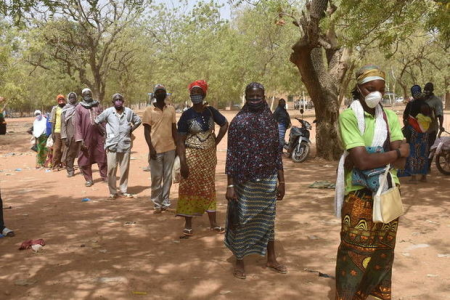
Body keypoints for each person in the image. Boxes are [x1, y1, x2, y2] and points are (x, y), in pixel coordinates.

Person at [334, 65, 410, 300]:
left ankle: (376, 292)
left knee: (383, 249)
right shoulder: (349, 116)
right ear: (358, 88)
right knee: (353, 249)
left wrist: (384, 156)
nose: (375, 94)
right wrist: (395, 154)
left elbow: (401, 160)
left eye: (380, 89)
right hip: (359, 194)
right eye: (370, 88)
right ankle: (347, 295)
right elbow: (362, 160)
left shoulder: (388, 117)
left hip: (388, 190)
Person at [224, 82, 286, 280]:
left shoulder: (270, 121)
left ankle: (271, 258)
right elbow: (231, 155)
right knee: (242, 220)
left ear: (264, 96)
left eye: (259, 96)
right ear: (246, 97)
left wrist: (281, 181)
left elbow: (277, 153)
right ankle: (240, 260)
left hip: (267, 179)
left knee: (268, 220)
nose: (255, 99)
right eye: (251, 96)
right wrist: (230, 185)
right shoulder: (238, 122)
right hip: (244, 181)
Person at [176, 80, 228, 235]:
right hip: (192, 155)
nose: (195, 96)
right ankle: (188, 224)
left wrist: (216, 141)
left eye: (198, 93)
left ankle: (213, 223)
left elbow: (225, 124)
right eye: (193, 93)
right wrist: (183, 162)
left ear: (204, 94)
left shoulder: (211, 111)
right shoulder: (186, 115)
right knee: (188, 185)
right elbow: (180, 141)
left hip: (209, 157)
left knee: (208, 186)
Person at [95, 93, 141, 198]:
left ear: (123, 102)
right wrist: (104, 132)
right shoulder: (108, 112)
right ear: (113, 102)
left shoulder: (129, 112)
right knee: (111, 168)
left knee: (124, 168)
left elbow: (138, 121)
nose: (118, 101)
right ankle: (113, 191)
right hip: (112, 144)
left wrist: (131, 130)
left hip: (125, 143)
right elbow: (96, 121)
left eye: (120, 100)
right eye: (116, 100)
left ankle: (123, 189)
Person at [142, 84, 177, 212]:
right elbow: (146, 131)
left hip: (170, 148)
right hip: (155, 149)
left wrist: (177, 146)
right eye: (158, 91)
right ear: (154, 95)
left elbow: (174, 129)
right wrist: (151, 148)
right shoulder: (148, 110)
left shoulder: (171, 109)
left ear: (165, 94)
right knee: (156, 177)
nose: (161, 93)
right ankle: (157, 202)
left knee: (167, 177)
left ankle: (165, 201)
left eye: (163, 91)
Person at [75, 88, 107, 187]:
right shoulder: (79, 107)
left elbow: (103, 119)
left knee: (102, 155)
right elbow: (77, 124)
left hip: (98, 135)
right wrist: (80, 139)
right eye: (85, 94)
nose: (87, 95)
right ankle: (88, 179)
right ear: (82, 95)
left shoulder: (97, 105)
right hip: (85, 136)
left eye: (89, 94)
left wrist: (106, 132)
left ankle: (105, 176)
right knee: (85, 158)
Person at [399, 85, 431, 183]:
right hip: (424, 133)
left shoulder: (411, 104)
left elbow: (405, 116)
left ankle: (413, 178)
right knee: (423, 153)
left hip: (413, 132)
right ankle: (423, 176)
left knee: (413, 153)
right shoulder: (426, 104)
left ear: (412, 93)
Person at [424, 82, 444, 169]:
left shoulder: (437, 101)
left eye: (428, 90)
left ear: (432, 90)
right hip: (420, 128)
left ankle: (427, 166)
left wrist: (441, 127)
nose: (426, 91)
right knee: (422, 147)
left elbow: (440, 115)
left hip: (432, 128)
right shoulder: (421, 98)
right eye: (425, 89)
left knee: (430, 147)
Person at [61, 92, 80, 177]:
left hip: (80, 134)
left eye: (74, 97)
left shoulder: (80, 107)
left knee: (82, 153)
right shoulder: (65, 110)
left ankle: (84, 169)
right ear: (68, 98)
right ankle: (70, 170)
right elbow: (63, 124)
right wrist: (65, 137)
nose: (72, 99)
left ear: (76, 98)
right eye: (71, 97)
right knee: (70, 154)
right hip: (70, 135)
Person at [50, 94, 67, 171]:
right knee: (56, 149)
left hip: (66, 131)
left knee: (65, 148)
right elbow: (52, 121)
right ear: (57, 101)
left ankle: (64, 164)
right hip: (57, 131)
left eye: (62, 99)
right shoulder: (55, 109)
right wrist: (52, 133)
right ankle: (55, 165)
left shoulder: (67, 108)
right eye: (59, 100)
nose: (61, 101)